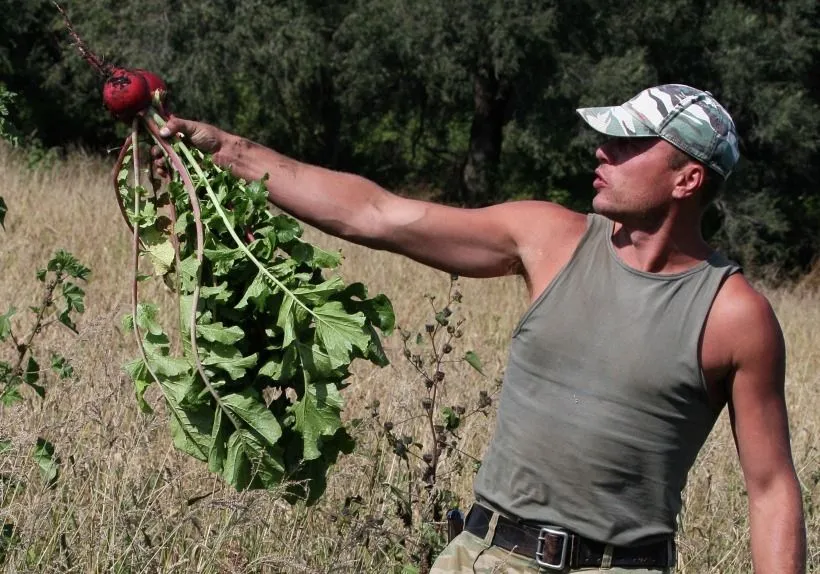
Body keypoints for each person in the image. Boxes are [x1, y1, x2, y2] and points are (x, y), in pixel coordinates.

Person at [154, 84, 806, 573]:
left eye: (632, 145)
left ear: (688, 178)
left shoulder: (733, 314)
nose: (603, 151)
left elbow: (772, 488)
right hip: (490, 555)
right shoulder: (550, 238)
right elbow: (380, 216)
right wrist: (231, 152)